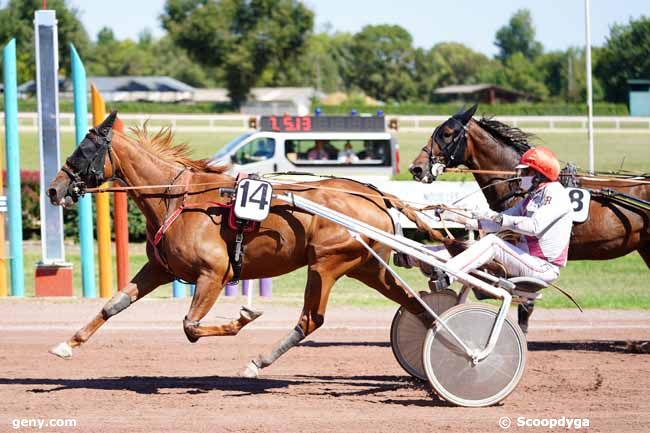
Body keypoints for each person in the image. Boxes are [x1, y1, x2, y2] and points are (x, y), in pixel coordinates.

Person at [439, 147, 572, 285]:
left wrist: (494, 216)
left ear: (538, 175)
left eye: (526, 171)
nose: (521, 176)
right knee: (470, 246)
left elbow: (534, 227)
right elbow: (500, 221)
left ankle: (448, 274)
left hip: (543, 267)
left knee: (493, 243)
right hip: (527, 261)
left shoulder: (556, 194)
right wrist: (459, 218)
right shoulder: (531, 198)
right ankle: (424, 263)